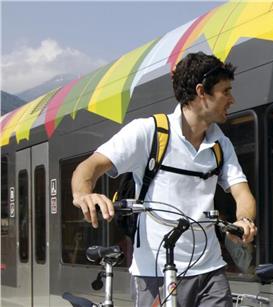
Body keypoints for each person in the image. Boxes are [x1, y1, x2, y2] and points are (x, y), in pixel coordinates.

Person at [71, 52, 257, 307]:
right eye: (226, 91)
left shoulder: (221, 144)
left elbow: (242, 193)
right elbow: (88, 167)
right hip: (155, 271)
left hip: (210, 270)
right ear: (202, 92)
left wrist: (244, 219)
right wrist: (84, 194)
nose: (232, 99)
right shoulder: (149, 132)